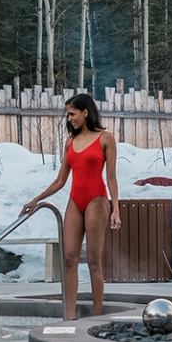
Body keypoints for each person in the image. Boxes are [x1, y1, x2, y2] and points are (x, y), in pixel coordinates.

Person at [23, 92, 121, 320]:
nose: (69, 119)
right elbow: (60, 181)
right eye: (68, 115)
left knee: (94, 261)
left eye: (72, 114)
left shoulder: (106, 138)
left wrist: (116, 208)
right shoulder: (70, 142)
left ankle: (97, 315)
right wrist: (36, 200)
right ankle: (70, 315)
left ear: (85, 113)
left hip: (97, 200)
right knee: (69, 257)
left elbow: (112, 177)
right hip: (75, 202)